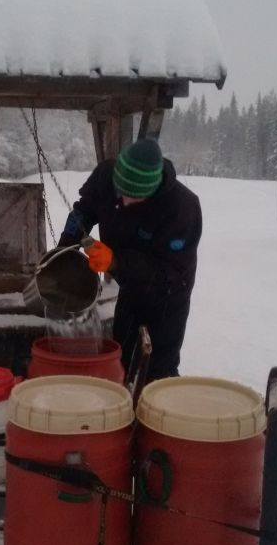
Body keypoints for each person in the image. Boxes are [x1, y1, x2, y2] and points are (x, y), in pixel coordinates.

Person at [58, 137, 202, 383]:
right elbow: (84, 209)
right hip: (130, 288)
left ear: (153, 189)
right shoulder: (105, 175)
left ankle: (156, 412)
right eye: (121, 193)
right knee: (122, 358)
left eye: (135, 198)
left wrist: (116, 262)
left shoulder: (182, 208)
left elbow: (170, 272)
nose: (125, 202)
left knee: (157, 371)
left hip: (168, 297)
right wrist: (65, 247)